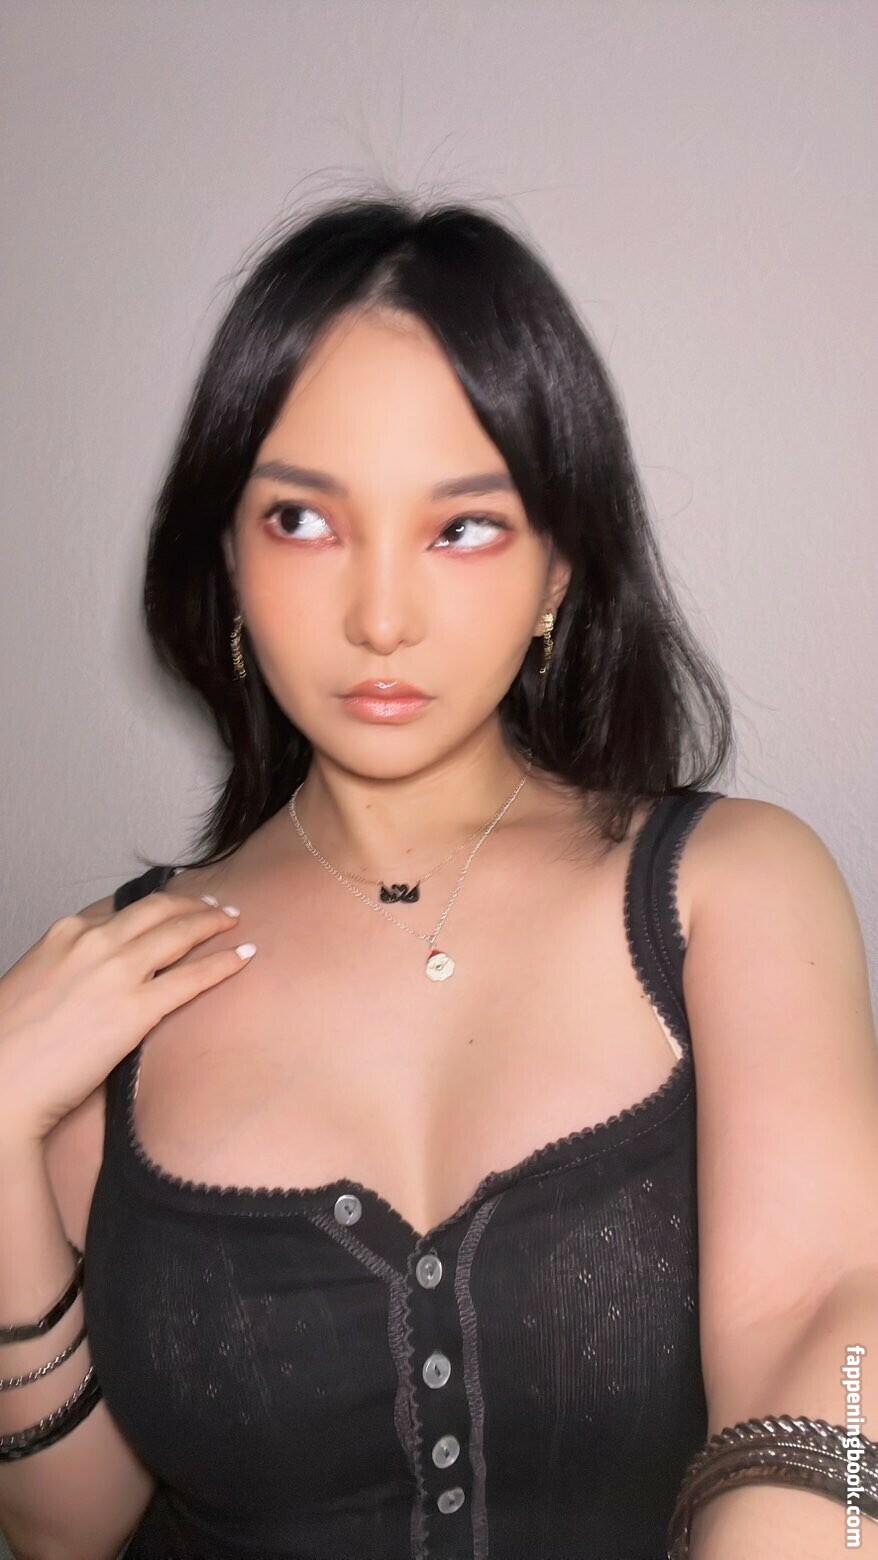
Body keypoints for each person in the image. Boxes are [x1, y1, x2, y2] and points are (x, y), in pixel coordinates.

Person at [1, 193, 876, 1560]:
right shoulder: (112, 986)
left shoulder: (727, 893)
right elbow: (68, 1525)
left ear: (559, 569)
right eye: (302, 519)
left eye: (462, 527)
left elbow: (827, 1326)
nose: (381, 617)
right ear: (225, 554)